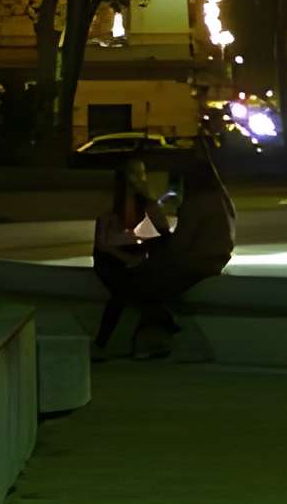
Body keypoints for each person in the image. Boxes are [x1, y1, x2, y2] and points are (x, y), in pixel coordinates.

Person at [131, 140, 237, 359]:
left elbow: (181, 245)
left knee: (145, 284)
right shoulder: (221, 196)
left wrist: (158, 237)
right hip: (216, 258)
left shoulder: (196, 203)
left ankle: (157, 336)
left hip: (198, 263)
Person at [89, 159, 167, 356]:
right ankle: (102, 344)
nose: (139, 179)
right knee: (123, 293)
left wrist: (149, 198)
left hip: (133, 256)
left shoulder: (144, 203)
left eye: (142, 173)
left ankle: (146, 341)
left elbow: (161, 229)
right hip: (109, 258)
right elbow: (102, 244)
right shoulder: (109, 203)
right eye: (134, 174)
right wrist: (126, 259)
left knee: (144, 290)